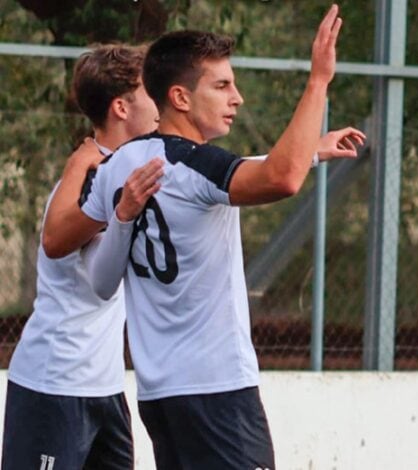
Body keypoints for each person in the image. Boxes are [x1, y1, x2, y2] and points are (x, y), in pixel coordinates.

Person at [40, 5, 362, 469]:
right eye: (222, 85)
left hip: (161, 397)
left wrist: (309, 150)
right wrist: (318, 81)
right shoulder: (196, 167)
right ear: (181, 98)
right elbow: (279, 178)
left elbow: (84, 261)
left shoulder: (121, 166)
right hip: (218, 393)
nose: (238, 98)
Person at [2, 44, 161, 470]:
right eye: (150, 91)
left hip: (106, 390)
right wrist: (78, 165)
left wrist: (306, 155)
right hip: (54, 387)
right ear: (121, 107)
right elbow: (56, 239)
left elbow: (217, 173)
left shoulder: (130, 171)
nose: (161, 100)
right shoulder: (90, 178)